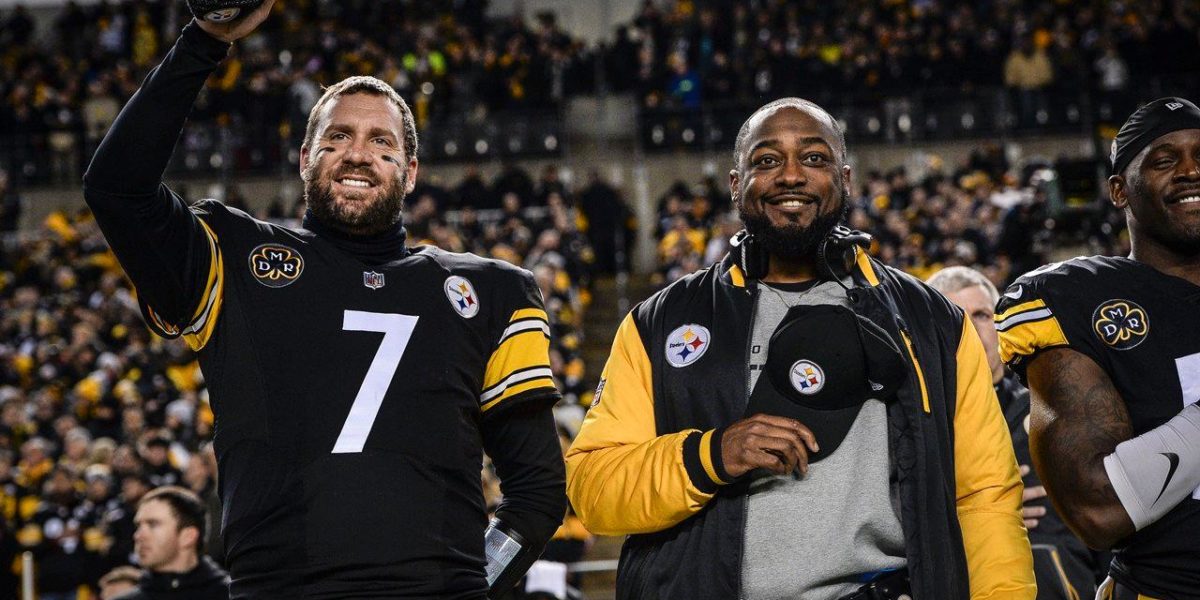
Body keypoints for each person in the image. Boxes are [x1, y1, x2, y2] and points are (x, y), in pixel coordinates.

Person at [81, 3, 566, 598]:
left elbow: (538, 492)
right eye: (337, 137)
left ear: (410, 172)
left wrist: (471, 586)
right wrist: (203, 41)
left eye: (380, 141)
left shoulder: (494, 292)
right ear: (305, 158)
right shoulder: (232, 255)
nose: (358, 153)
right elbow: (115, 188)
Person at [565, 97, 1034, 599]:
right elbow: (594, 487)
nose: (791, 175)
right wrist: (710, 454)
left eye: (814, 158)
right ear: (735, 184)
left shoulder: (933, 322)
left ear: (846, 179)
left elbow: (984, 497)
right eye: (766, 161)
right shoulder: (660, 322)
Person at [996, 97, 1200, 599]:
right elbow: (1099, 508)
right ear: (1118, 191)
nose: (1191, 171)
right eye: (1164, 159)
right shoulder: (1076, 300)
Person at [928, 266, 1097, 599]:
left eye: (980, 315)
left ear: (1000, 327)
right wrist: (989, 511)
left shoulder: (1053, 408)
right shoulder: (910, 422)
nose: (970, 328)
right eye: (955, 317)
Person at [114, 486, 229, 600]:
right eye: (138, 526)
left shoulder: (233, 595)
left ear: (188, 536)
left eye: (153, 524)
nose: (138, 536)